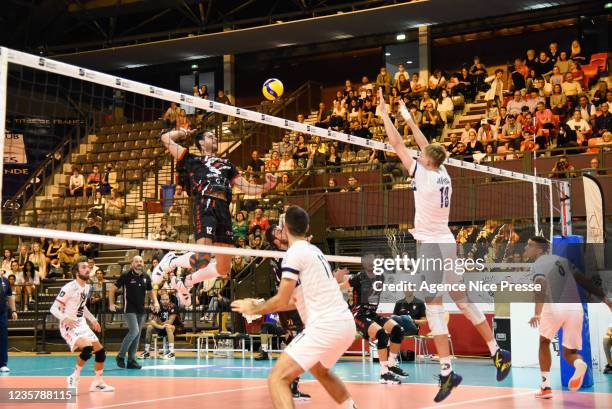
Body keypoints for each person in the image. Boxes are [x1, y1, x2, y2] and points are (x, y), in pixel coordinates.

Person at [378, 88, 511, 402]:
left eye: (422, 155)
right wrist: (409, 117)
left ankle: (448, 371)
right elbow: (426, 146)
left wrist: (385, 115)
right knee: (461, 298)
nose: (419, 154)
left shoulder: (422, 175)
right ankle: (496, 350)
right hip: (447, 242)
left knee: (434, 303)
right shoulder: (443, 173)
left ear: (426, 161)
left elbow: (396, 144)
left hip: (432, 245)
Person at [232, 205, 357, 409]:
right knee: (319, 370)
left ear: (284, 228)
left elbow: (282, 299)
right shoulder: (314, 251)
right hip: (345, 325)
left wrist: (253, 309)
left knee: (277, 378)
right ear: (307, 227)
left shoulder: (293, 253)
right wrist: (263, 304)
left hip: (325, 327)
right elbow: (292, 300)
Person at [153, 128, 276, 307]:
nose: (215, 137)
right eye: (210, 136)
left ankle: (186, 282)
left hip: (223, 209)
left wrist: (267, 186)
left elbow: (248, 188)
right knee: (202, 259)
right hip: (205, 203)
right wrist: (184, 132)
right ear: (201, 143)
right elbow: (165, 138)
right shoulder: (193, 160)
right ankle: (172, 259)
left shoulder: (227, 165)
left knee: (223, 268)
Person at [525, 236, 612, 398]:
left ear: (539, 249)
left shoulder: (538, 263)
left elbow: (541, 284)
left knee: (544, 342)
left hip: (554, 306)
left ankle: (545, 387)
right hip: (575, 308)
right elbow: (583, 280)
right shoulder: (562, 260)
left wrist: (537, 312)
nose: (525, 249)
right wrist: (605, 299)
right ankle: (579, 363)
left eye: (529, 246)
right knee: (569, 352)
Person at [336, 253, 408, 383]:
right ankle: (384, 373)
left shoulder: (381, 277)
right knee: (382, 335)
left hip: (372, 314)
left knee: (398, 329)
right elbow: (340, 288)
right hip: (359, 315)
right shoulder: (359, 277)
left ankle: (391, 364)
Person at [263, 225, 313, 400]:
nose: (282, 231)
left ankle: (289, 383)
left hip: (300, 303)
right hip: (292, 304)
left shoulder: (290, 251)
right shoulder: (281, 257)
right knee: (298, 343)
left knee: (299, 343)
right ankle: (288, 385)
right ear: (276, 241)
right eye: (278, 231)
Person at [49, 259, 113, 392]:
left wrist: (93, 320)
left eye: (88, 267)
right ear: (76, 272)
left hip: (81, 323)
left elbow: (82, 308)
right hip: (69, 325)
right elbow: (53, 309)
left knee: (100, 352)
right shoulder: (69, 287)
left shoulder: (87, 287)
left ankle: (98, 382)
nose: (88, 269)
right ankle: (74, 377)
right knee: (87, 347)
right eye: (83, 267)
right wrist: (65, 318)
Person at [109, 256, 159, 370]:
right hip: (129, 308)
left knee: (136, 336)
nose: (139, 263)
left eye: (141, 261)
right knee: (134, 331)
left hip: (141, 310)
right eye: (136, 261)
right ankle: (120, 356)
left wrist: (156, 302)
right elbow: (112, 289)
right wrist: (111, 303)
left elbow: (151, 291)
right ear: (132, 263)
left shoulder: (146, 276)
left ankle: (131, 361)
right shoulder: (126, 275)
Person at [140, 292, 182, 360]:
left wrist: (158, 323)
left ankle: (171, 352)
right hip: (162, 327)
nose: (165, 301)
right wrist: (160, 326)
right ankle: (147, 352)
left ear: (169, 299)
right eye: (163, 299)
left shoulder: (173, 306)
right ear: (160, 300)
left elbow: (170, 322)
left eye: (166, 299)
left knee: (168, 326)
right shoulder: (158, 307)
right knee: (149, 327)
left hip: (176, 327)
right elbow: (152, 321)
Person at [0, 272, 18, 372]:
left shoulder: (5, 281)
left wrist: (14, 311)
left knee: (3, 338)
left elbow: (10, 297)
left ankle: (2, 363)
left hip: (2, 314)